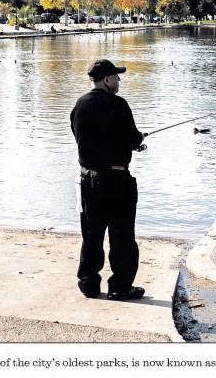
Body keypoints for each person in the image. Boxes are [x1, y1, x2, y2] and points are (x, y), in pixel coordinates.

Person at [70, 59, 146, 301]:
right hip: (116, 179)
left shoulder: (79, 105)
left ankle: (89, 284)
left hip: (87, 180)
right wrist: (139, 139)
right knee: (122, 235)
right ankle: (119, 287)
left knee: (91, 234)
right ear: (106, 80)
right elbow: (132, 139)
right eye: (116, 76)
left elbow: (81, 137)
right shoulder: (118, 104)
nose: (119, 80)